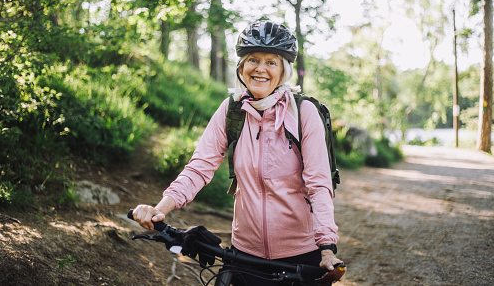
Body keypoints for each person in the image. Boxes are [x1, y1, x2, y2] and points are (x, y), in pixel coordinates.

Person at [132, 20, 342, 285]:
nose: (261, 69)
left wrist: (326, 246)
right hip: (244, 254)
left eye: (271, 62)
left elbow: (319, 184)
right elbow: (199, 167)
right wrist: (159, 209)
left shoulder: (303, 113)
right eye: (253, 59)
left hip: (301, 256)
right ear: (242, 67)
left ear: (283, 70)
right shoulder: (231, 111)